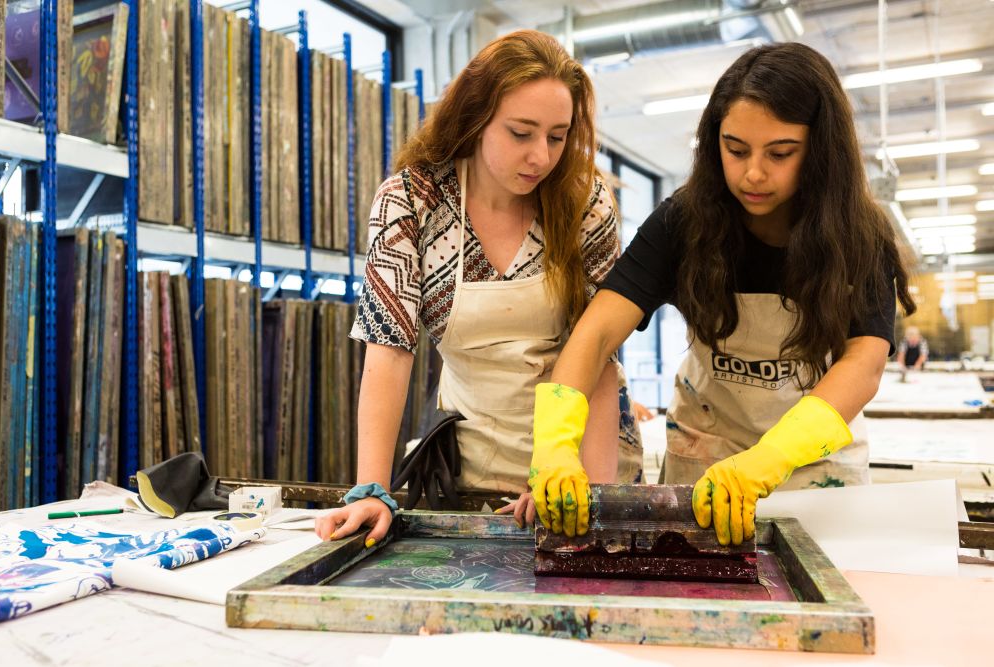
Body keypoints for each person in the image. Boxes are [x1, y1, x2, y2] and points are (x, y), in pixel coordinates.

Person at [528, 42, 916, 545]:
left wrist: (767, 461)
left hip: (812, 459)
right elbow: (598, 330)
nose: (753, 173)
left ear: (820, 150)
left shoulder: (857, 235)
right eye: (735, 150)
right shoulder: (683, 224)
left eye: (780, 153)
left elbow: (864, 364)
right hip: (706, 450)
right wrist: (556, 442)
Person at [314, 30, 642, 547]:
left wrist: (580, 484)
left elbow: (596, 352)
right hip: (475, 455)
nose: (541, 156)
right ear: (475, 117)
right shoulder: (413, 202)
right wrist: (370, 489)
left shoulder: (583, 202)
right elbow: (389, 351)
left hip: (583, 444)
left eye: (557, 137)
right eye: (521, 132)